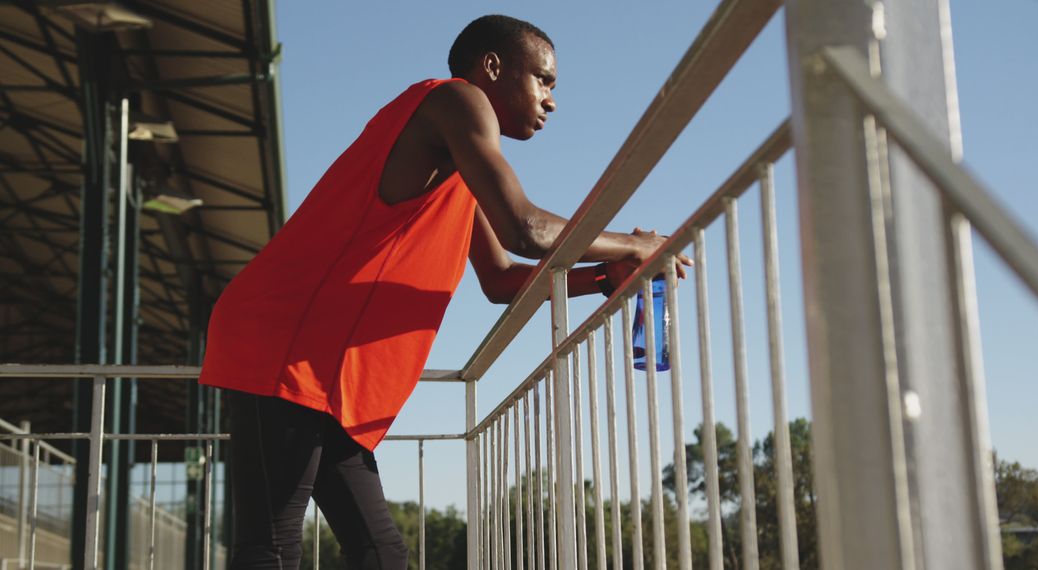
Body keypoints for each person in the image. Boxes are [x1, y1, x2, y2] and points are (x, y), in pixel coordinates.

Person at [198, 14, 691, 570]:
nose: (551, 100)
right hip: (283, 342)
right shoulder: (456, 100)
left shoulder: (459, 167)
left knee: (380, 551)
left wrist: (602, 278)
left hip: (328, 371)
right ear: (492, 67)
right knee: (271, 544)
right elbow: (525, 228)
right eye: (544, 80)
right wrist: (631, 244)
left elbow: (502, 281)